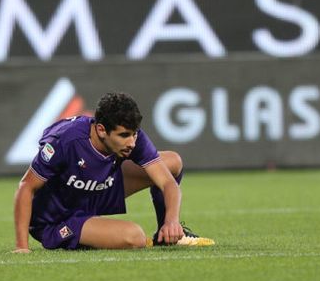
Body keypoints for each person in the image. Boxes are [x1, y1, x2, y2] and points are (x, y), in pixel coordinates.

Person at [13, 92, 215, 253]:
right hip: (59, 219)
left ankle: (167, 235)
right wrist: (22, 247)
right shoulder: (65, 141)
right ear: (101, 130)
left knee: (172, 161)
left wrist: (172, 221)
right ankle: (79, 233)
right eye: (124, 135)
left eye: (135, 134)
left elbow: (168, 183)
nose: (132, 142)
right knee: (134, 236)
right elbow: (27, 186)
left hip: (96, 191)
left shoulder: (133, 138)